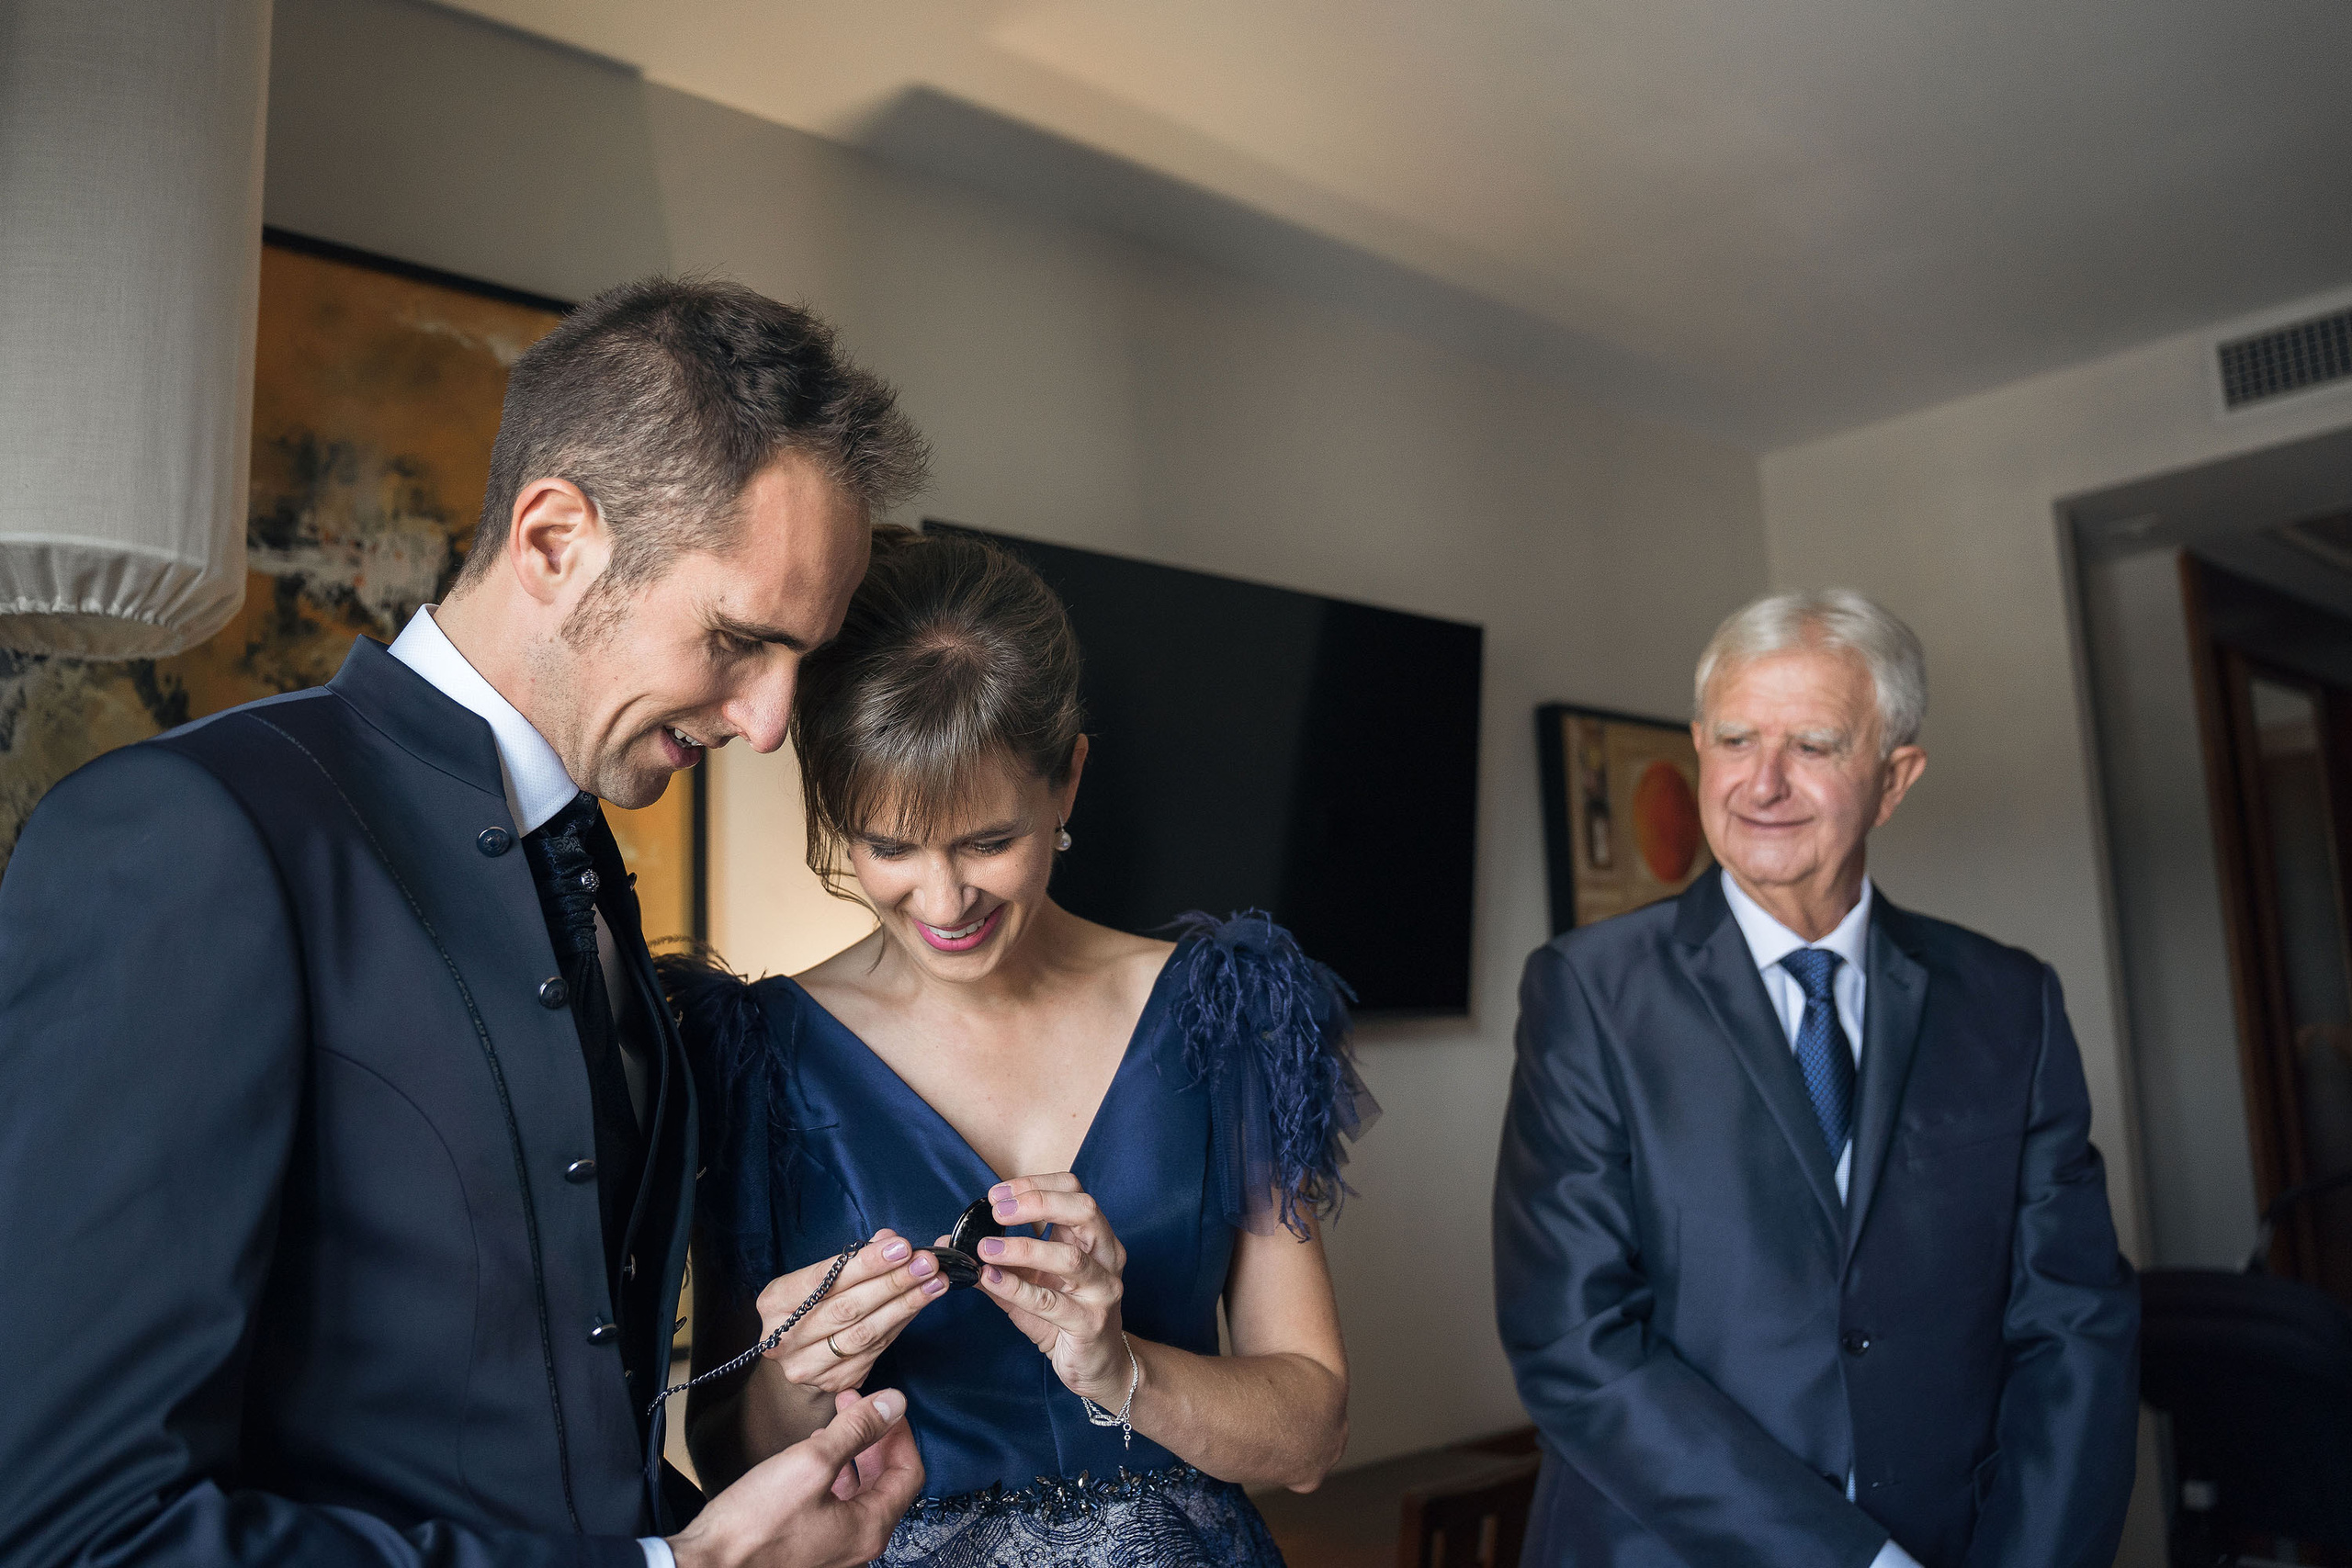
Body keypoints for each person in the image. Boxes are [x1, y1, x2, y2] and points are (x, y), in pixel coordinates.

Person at [0, 278, 934, 1568]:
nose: (770, 723)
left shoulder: (588, 861)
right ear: (553, 538)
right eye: (737, 639)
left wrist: (731, 1518)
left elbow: (544, 1440)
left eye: (800, 662)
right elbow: (71, 1532)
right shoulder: (186, 835)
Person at [662, 528, 1377, 1567]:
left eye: (988, 843)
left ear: (1067, 783)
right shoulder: (755, 1055)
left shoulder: (1226, 1015)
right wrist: (796, 1378)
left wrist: (1119, 1367)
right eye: (890, 847)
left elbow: (1311, 1435)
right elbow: (732, 1464)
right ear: (831, 809)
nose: (944, 902)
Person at [1493, 590, 2139, 1568]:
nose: (1764, 783)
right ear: (1700, 748)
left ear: (1893, 778)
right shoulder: (1587, 994)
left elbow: (2075, 1325)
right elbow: (1573, 1344)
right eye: (1736, 739)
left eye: (1815, 745)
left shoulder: (2009, 1001)